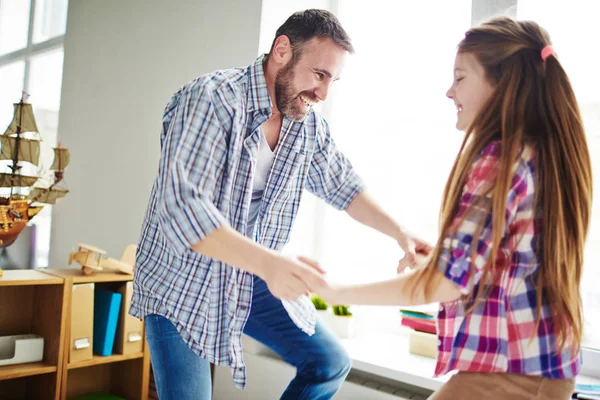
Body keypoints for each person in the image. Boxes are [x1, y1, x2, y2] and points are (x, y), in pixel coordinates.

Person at [130, 9, 428, 400]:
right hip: (181, 282)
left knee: (328, 363)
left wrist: (400, 233)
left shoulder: (306, 125)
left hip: (249, 275)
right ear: (282, 51)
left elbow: (345, 186)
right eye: (319, 75)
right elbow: (182, 207)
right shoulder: (213, 99)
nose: (324, 94)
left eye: (333, 81)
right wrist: (271, 264)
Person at [314, 16, 592, 400]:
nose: (449, 92)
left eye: (460, 77)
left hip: (512, 377)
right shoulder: (540, 152)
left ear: (501, 84)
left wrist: (333, 292)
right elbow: (514, 266)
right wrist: (444, 261)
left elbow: (447, 283)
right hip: (541, 371)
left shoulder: (500, 161)